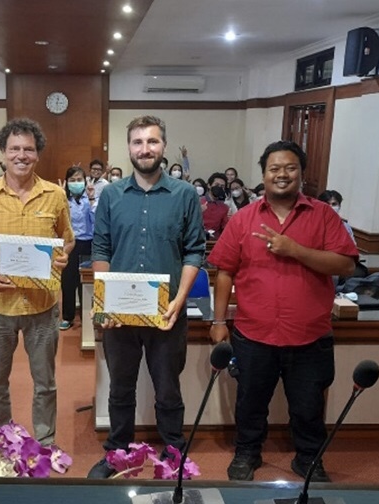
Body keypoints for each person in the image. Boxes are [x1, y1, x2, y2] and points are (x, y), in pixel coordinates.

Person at [207, 140, 358, 482]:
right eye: (274, 168)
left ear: (302, 174)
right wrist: (218, 321)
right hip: (253, 334)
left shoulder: (323, 215)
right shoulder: (244, 218)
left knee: (308, 407)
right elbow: (225, 271)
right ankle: (247, 452)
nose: (282, 174)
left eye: (290, 168)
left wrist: (294, 250)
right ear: (263, 174)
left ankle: (309, 458)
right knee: (250, 402)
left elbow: (346, 265)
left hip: (309, 336)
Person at [87, 115, 205, 478]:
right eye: (137, 142)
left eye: (152, 142)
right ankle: (117, 452)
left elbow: (194, 251)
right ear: (129, 148)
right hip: (120, 314)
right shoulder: (111, 194)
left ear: (164, 146)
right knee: (120, 388)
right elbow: (101, 249)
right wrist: (106, 302)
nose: (145, 149)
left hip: (166, 313)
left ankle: (173, 453)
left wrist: (179, 300)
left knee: (168, 389)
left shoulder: (184, 195)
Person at [0, 118, 74, 447]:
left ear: (38, 155)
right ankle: (1, 443)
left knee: (45, 383)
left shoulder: (54, 195)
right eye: (14, 149)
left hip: (42, 306)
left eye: (28, 149)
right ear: (2, 153)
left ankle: (46, 444)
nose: (21, 155)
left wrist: (62, 256)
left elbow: (66, 240)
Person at [59, 165, 96, 331]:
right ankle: (68, 317)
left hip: (88, 244)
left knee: (86, 281)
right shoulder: (63, 200)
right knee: (68, 282)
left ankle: (86, 315)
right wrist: (60, 198)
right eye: (72, 180)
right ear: (67, 183)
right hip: (69, 244)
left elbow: (97, 221)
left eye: (79, 180)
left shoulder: (91, 200)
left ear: (85, 181)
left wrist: (92, 199)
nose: (76, 183)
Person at [202, 172, 230, 240]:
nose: (219, 187)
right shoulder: (197, 202)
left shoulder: (224, 207)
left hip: (215, 242)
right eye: (216, 184)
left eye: (222, 186)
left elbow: (225, 229)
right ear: (209, 185)